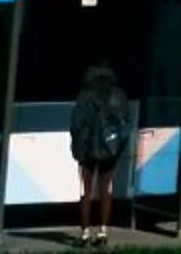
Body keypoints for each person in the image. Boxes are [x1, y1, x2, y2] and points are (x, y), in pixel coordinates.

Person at [67, 65, 131, 250]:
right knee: (106, 191)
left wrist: (77, 149)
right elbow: (125, 126)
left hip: (87, 152)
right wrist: (117, 148)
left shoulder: (84, 96)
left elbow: (76, 126)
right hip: (110, 151)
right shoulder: (119, 95)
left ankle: (85, 233)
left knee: (86, 192)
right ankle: (103, 232)